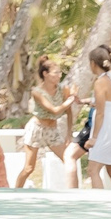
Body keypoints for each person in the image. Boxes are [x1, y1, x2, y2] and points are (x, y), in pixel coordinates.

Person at [14, 57, 71, 189]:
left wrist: (69, 133)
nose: (59, 76)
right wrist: (69, 101)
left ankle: (74, 190)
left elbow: (69, 112)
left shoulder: (63, 89)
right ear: (45, 74)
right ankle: (16, 191)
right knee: (29, 168)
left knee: (68, 160)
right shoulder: (37, 92)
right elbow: (54, 110)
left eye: (59, 73)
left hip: (52, 130)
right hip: (37, 129)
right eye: (55, 73)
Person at [81, 45, 111, 190]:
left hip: (106, 126)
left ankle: (99, 200)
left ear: (93, 63)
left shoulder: (100, 82)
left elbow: (101, 112)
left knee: (93, 170)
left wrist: (94, 137)